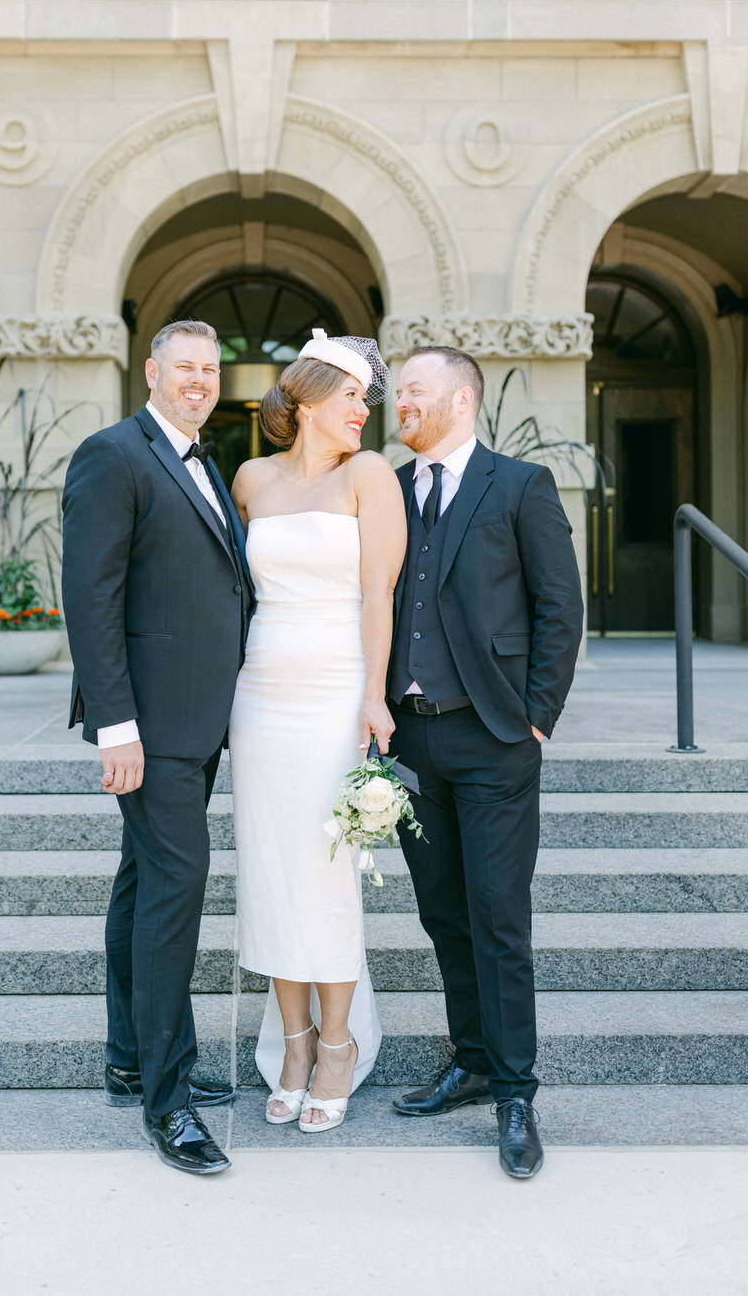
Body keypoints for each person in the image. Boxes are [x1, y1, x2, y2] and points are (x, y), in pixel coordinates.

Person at [61, 319, 254, 1177]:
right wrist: (116, 725)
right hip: (149, 724)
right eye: (185, 367)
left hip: (198, 718)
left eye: (210, 369)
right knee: (176, 890)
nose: (199, 380)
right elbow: (90, 597)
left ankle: (129, 1055)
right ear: (151, 371)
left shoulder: (204, 460)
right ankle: (167, 1101)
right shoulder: (113, 455)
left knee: (143, 883)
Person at [388, 345, 583, 1180]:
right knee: (442, 911)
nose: (400, 404)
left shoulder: (520, 486)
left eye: (414, 391)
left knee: (498, 916)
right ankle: (469, 1060)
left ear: (460, 400)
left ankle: (513, 1093)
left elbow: (559, 607)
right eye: (397, 392)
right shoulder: (387, 490)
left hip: (495, 736)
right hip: (409, 741)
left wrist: (534, 719)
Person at [229, 329, 407, 1133]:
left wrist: (373, 697)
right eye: (349, 399)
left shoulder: (368, 474)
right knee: (269, 873)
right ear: (303, 403)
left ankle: (336, 1046)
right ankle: (292, 1045)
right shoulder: (249, 479)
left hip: (337, 692)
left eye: (366, 401)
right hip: (260, 692)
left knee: (328, 872)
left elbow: (379, 596)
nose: (362, 413)